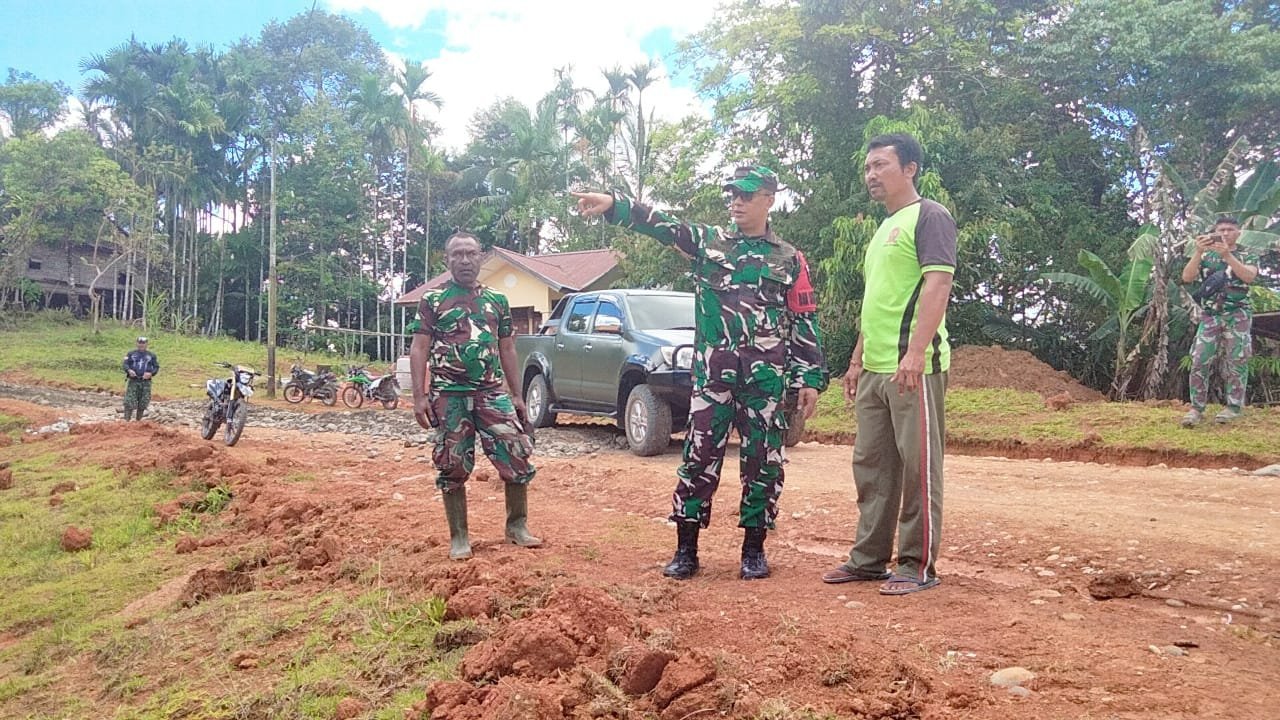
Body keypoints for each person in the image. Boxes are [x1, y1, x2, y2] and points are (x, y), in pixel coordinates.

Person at [573, 164, 828, 581]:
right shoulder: (710, 243)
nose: (736, 202)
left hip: (765, 382)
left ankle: (753, 550)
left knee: (764, 464)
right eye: (732, 195)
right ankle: (686, 549)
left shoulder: (790, 259)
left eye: (746, 195)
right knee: (698, 459)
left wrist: (808, 378)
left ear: (769, 199)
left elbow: (804, 319)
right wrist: (615, 205)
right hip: (713, 379)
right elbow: (663, 226)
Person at [820, 133, 956, 596]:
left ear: (910, 168)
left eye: (880, 165)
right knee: (873, 466)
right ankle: (868, 560)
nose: (871, 175)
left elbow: (937, 285)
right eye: (868, 167)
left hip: (912, 367)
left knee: (919, 469)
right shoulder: (882, 229)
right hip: (875, 369)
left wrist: (915, 352)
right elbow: (876, 300)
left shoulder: (930, 216)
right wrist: (856, 358)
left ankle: (917, 565)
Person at [409, 231, 540, 560]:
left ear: (481, 257)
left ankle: (517, 526)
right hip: (448, 396)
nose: (465, 260)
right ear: (447, 260)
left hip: (491, 392)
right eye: (458, 254)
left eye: (471, 253)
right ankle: (459, 537)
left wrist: (518, 395)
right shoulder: (433, 300)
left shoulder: (497, 301)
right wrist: (419, 397)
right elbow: (419, 347)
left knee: (515, 451)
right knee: (452, 462)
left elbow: (507, 348)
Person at [1179, 216, 1259, 426]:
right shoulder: (1206, 256)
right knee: (1199, 359)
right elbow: (1187, 277)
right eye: (1221, 230)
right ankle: (1196, 408)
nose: (1225, 233)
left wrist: (1228, 256)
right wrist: (1198, 252)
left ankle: (1233, 407)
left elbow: (1249, 277)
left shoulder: (1248, 254)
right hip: (1210, 315)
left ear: (1238, 232)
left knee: (1237, 360)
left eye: (1230, 229)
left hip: (1238, 314)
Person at [122, 336, 159, 421]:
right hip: (133, 381)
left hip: (145, 382)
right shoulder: (131, 354)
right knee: (129, 401)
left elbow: (156, 367)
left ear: (147, 344)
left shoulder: (151, 355)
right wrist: (129, 370)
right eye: (140, 343)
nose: (141, 345)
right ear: (136, 343)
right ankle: (126, 421)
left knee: (143, 402)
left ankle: (139, 421)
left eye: (143, 343)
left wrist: (151, 374)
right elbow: (125, 364)